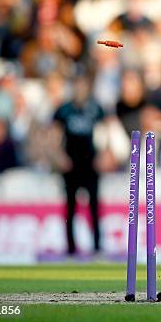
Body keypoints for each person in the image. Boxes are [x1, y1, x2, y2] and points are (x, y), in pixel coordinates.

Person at [53, 73, 105, 255]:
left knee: (94, 206)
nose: (80, 90)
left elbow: (105, 131)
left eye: (83, 86)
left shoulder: (96, 108)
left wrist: (104, 155)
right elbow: (54, 135)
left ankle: (98, 246)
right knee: (70, 207)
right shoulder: (64, 109)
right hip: (71, 164)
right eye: (77, 86)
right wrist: (59, 156)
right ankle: (71, 247)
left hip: (91, 163)